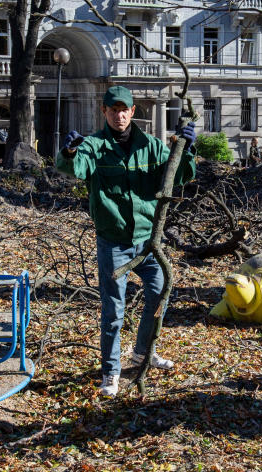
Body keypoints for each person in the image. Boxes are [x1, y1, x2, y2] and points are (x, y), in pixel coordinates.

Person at [56, 86, 197, 397]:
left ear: (133, 112)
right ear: (104, 112)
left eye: (124, 109)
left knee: (161, 294)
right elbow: (73, 168)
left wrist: (187, 149)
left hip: (149, 241)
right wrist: (67, 152)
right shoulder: (94, 146)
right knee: (113, 310)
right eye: (112, 109)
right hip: (114, 242)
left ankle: (143, 352)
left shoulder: (153, 146)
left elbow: (179, 176)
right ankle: (110, 372)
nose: (119, 115)